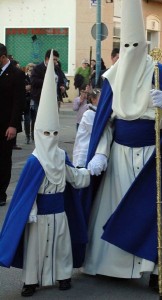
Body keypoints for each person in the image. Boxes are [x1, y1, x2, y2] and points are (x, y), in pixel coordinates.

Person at [81, 0, 162, 293]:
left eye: (136, 45)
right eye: (126, 46)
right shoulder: (113, 76)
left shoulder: (159, 72)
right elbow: (105, 122)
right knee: (114, 208)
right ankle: (108, 265)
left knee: (150, 210)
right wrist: (99, 154)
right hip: (119, 153)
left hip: (152, 153)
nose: (131, 51)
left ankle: (152, 270)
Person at [0, 50, 90, 297]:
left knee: (61, 245)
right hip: (38, 214)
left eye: (54, 134)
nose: (50, 139)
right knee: (35, 248)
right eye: (45, 134)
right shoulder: (34, 161)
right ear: (39, 134)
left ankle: (62, 276)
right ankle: (31, 280)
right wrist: (30, 212)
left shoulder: (61, 156)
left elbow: (74, 177)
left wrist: (90, 171)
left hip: (59, 211)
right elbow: (24, 194)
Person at [0, 43, 25, 206]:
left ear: (3, 57)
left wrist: (13, 125)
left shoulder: (16, 74)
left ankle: (1, 193)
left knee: (3, 159)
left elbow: (19, 101)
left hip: (6, 126)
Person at [30, 49, 66, 115]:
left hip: (54, 100)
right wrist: (47, 82)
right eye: (54, 59)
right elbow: (33, 81)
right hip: (40, 100)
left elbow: (62, 79)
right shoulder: (37, 68)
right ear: (47, 59)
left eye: (56, 60)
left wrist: (63, 86)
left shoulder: (57, 68)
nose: (55, 62)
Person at [72, 88, 101, 168]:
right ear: (93, 100)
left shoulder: (97, 113)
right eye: (101, 98)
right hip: (83, 153)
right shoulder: (89, 114)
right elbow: (96, 132)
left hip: (91, 152)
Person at [24, 63, 36, 144]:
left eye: (32, 70)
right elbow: (23, 88)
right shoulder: (24, 78)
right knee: (27, 119)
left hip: (34, 100)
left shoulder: (35, 78)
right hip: (27, 101)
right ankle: (27, 136)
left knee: (34, 119)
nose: (30, 71)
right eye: (29, 70)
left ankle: (33, 135)